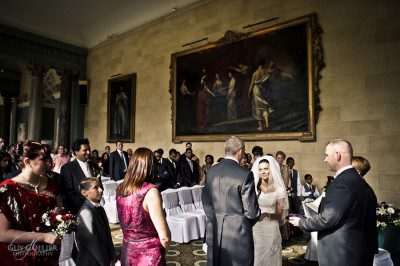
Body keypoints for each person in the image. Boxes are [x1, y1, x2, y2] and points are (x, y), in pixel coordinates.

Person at [289, 139, 370, 266]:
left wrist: (301, 222)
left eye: (327, 155)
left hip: (340, 252)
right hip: (353, 247)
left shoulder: (341, 183)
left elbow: (328, 219)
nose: (325, 159)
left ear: (337, 155)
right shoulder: (356, 179)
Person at [0, 141, 61, 265]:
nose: (49, 164)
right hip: (20, 256)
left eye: (49, 159)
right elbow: (2, 233)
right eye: (44, 160)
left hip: (49, 254)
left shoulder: (52, 184)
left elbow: (59, 212)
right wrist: (44, 237)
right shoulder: (9, 188)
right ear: (27, 162)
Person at [202, 136, 260, 265]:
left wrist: (215, 219)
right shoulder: (245, 174)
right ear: (240, 152)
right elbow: (252, 213)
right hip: (238, 234)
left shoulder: (210, 171)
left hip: (214, 230)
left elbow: (205, 201)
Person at [117, 148, 170, 265]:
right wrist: (162, 250)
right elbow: (164, 237)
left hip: (127, 250)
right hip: (149, 254)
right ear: (151, 167)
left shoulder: (120, 188)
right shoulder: (150, 191)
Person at [251, 156, 289, 266]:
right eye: (260, 169)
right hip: (256, 227)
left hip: (271, 227)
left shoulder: (280, 190)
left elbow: (279, 214)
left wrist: (266, 214)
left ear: (271, 169)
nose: (263, 172)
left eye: (266, 168)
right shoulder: (254, 187)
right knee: (257, 255)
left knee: (271, 256)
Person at [76, 178, 116, 266]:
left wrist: (113, 256)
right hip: (93, 261)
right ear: (84, 192)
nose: (101, 190)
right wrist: (104, 263)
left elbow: (108, 235)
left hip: (105, 258)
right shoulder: (85, 212)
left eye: (100, 187)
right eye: (95, 188)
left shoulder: (100, 208)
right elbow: (92, 244)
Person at [60, 138, 100, 214]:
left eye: (89, 150)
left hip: (95, 208)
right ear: (76, 152)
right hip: (78, 210)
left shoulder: (94, 166)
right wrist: (87, 205)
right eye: (85, 150)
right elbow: (69, 193)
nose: (88, 152)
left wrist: (96, 201)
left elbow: (99, 185)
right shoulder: (67, 168)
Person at [352, 156, 378, 265]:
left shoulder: (359, 188)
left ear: (357, 171)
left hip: (362, 242)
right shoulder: (365, 186)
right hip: (365, 240)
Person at [248, 59, 271, 130]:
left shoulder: (255, 73)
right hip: (263, 90)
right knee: (264, 107)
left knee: (258, 108)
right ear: (262, 65)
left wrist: (249, 92)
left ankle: (261, 127)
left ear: (259, 65)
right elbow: (268, 83)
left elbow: (252, 83)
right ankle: (267, 125)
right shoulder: (266, 72)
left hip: (256, 90)